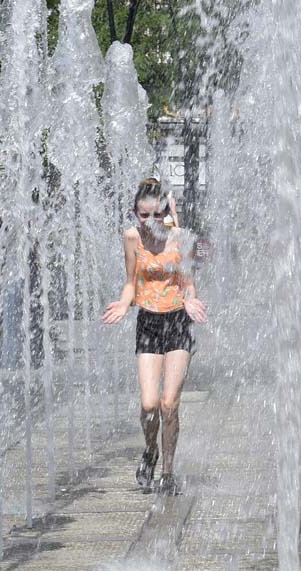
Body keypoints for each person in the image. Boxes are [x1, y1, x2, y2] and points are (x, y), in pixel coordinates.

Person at [102, 178, 207, 495]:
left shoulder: (181, 239)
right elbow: (130, 281)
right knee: (149, 404)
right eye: (144, 216)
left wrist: (191, 299)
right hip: (147, 321)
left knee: (169, 403)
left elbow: (187, 282)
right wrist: (123, 302)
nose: (151, 222)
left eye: (157, 215)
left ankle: (168, 473)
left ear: (166, 213)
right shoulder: (132, 238)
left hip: (177, 321)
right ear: (135, 214)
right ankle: (150, 450)